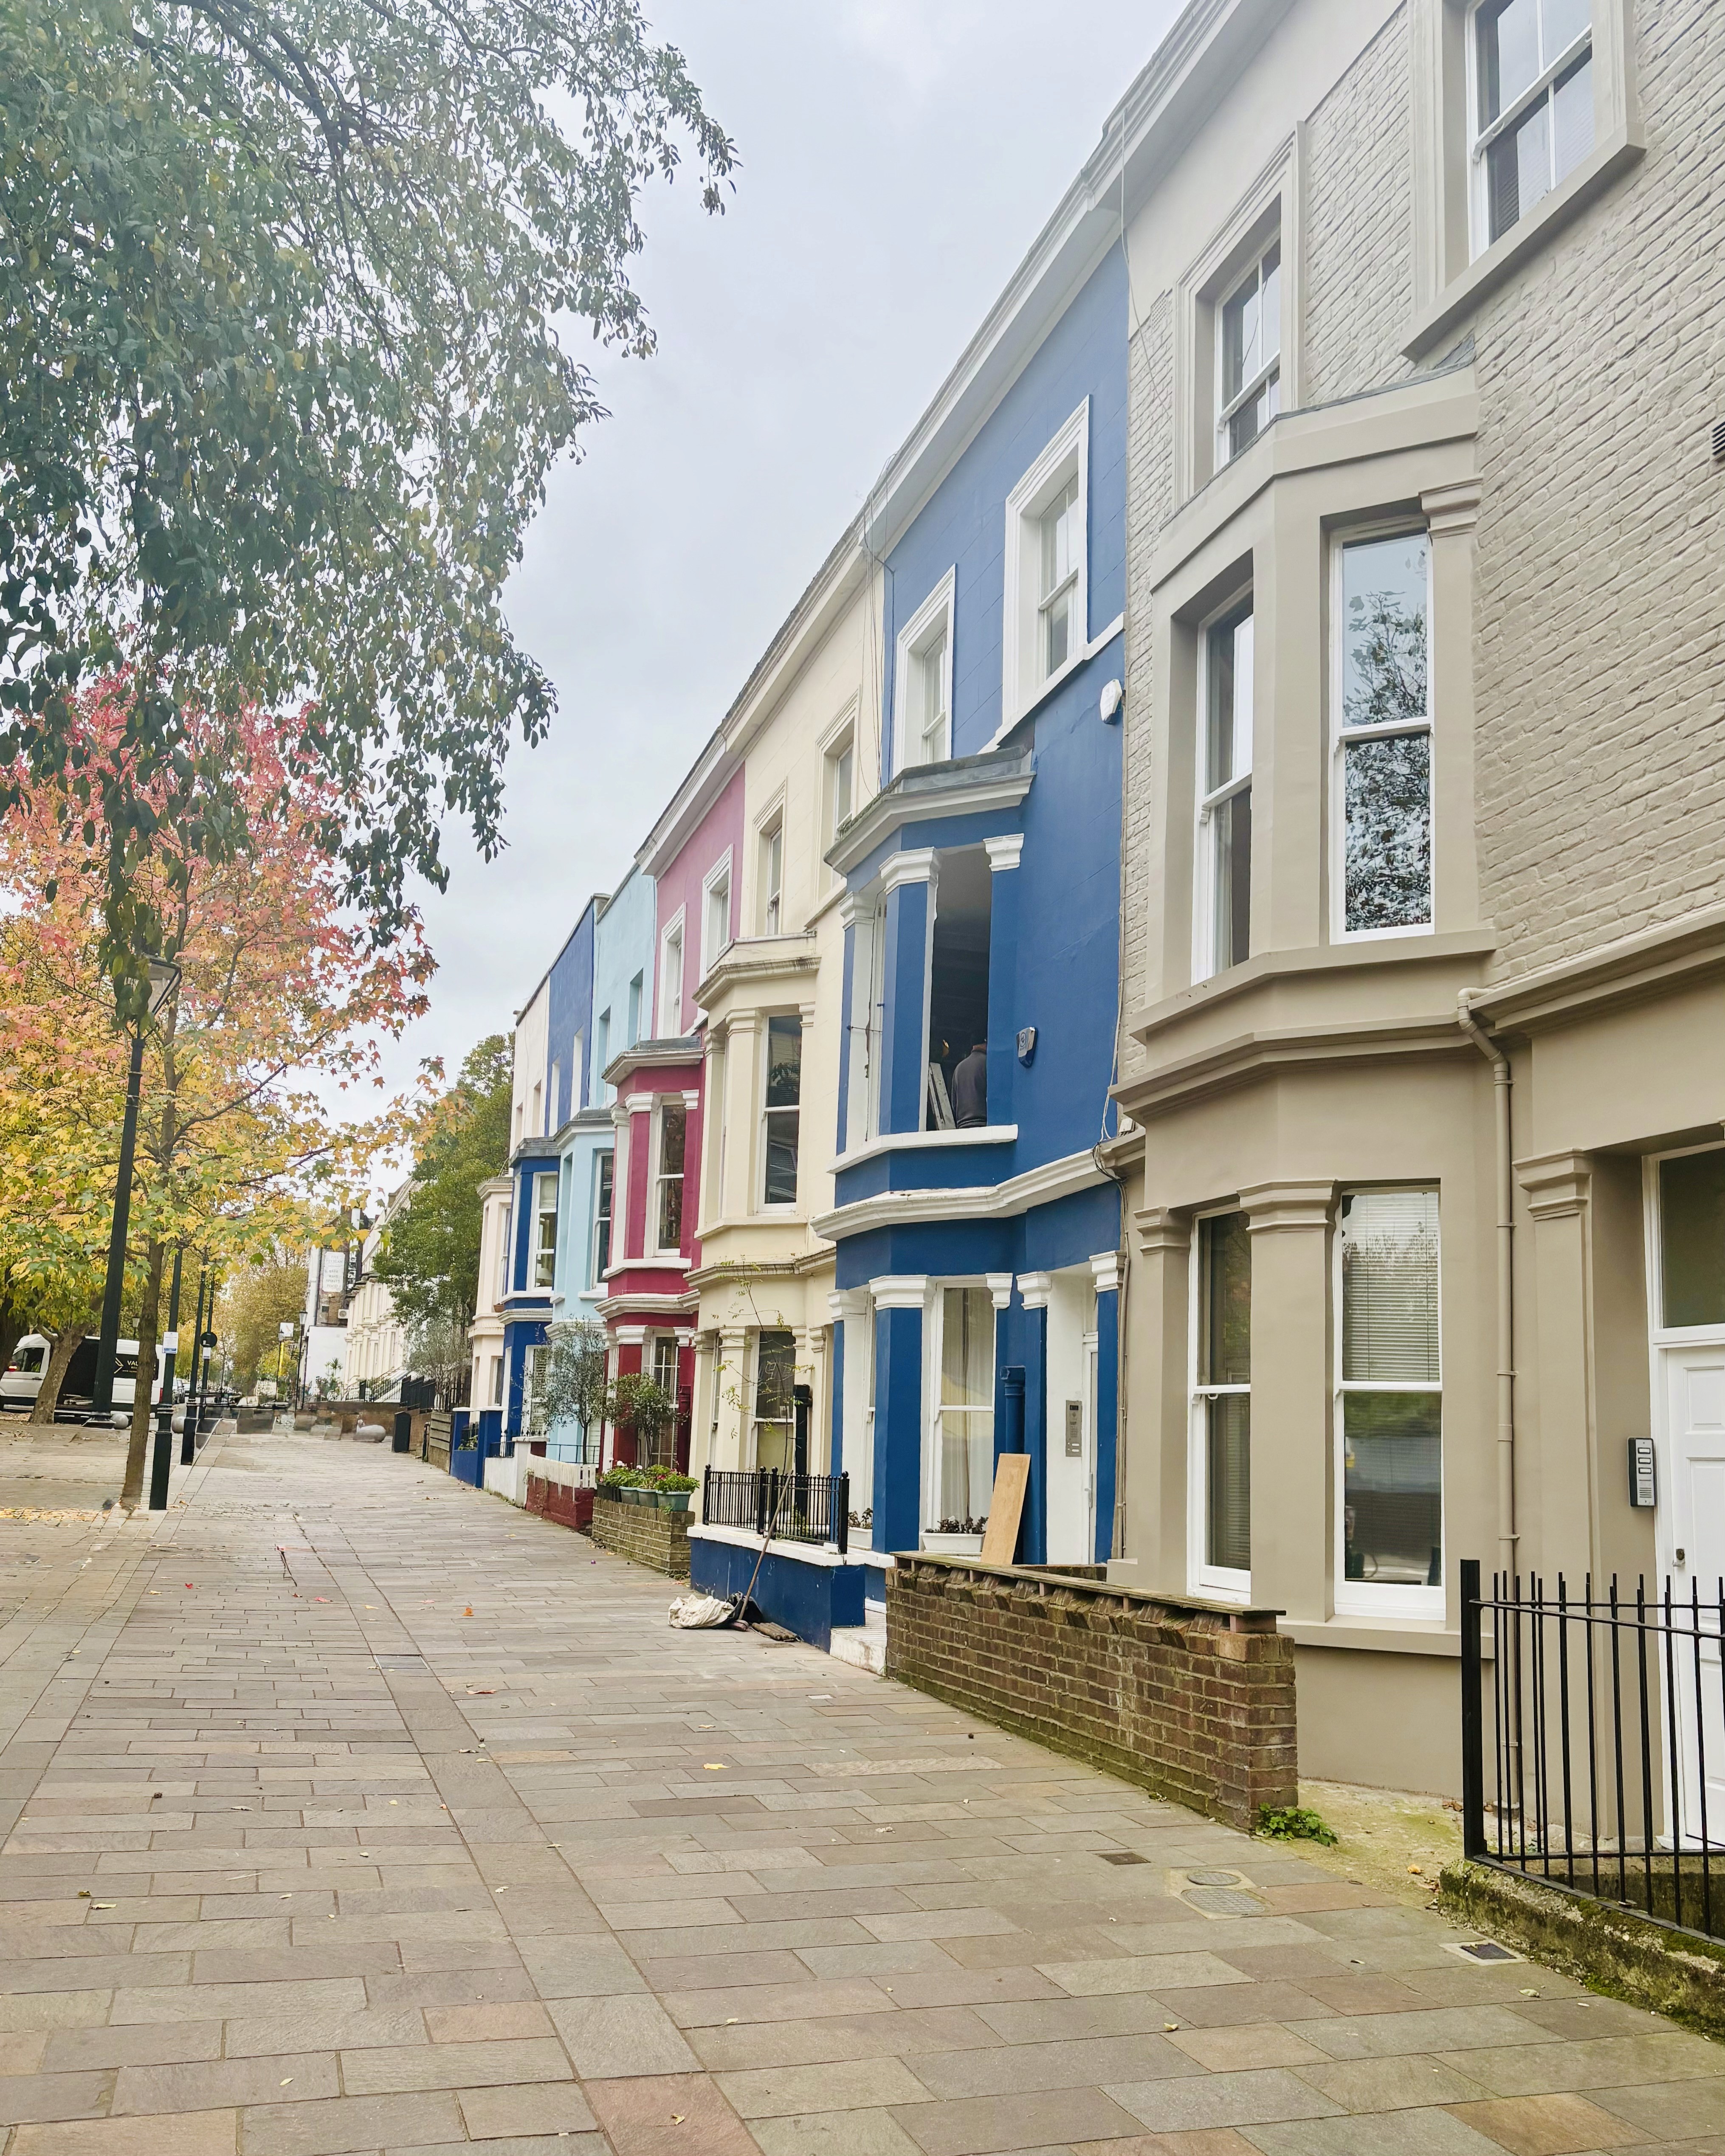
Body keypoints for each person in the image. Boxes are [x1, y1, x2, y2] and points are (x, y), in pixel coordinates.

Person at [951, 1040, 988, 1128]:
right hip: (983, 1125)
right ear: (986, 1043)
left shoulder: (959, 1068)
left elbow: (954, 1104)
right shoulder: (988, 1063)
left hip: (963, 1127)